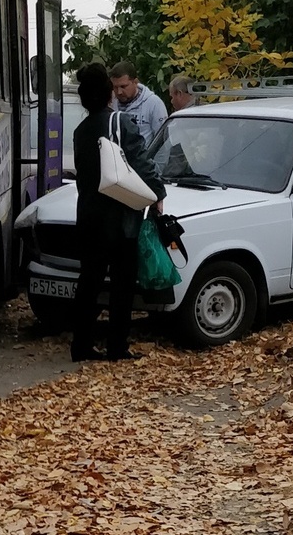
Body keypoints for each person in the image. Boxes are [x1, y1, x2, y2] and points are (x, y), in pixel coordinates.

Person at [70, 62, 166, 362]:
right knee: (122, 284)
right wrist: (158, 194)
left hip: (88, 215)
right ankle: (116, 346)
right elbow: (140, 161)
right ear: (109, 93)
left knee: (89, 282)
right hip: (120, 217)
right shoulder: (121, 124)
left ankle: (81, 345)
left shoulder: (81, 131)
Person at [109, 61, 168, 143]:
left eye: (123, 86)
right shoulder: (111, 104)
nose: (119, 92)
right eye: (115, 87)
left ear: (135, 82)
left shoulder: (153, 103)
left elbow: (163, 140)